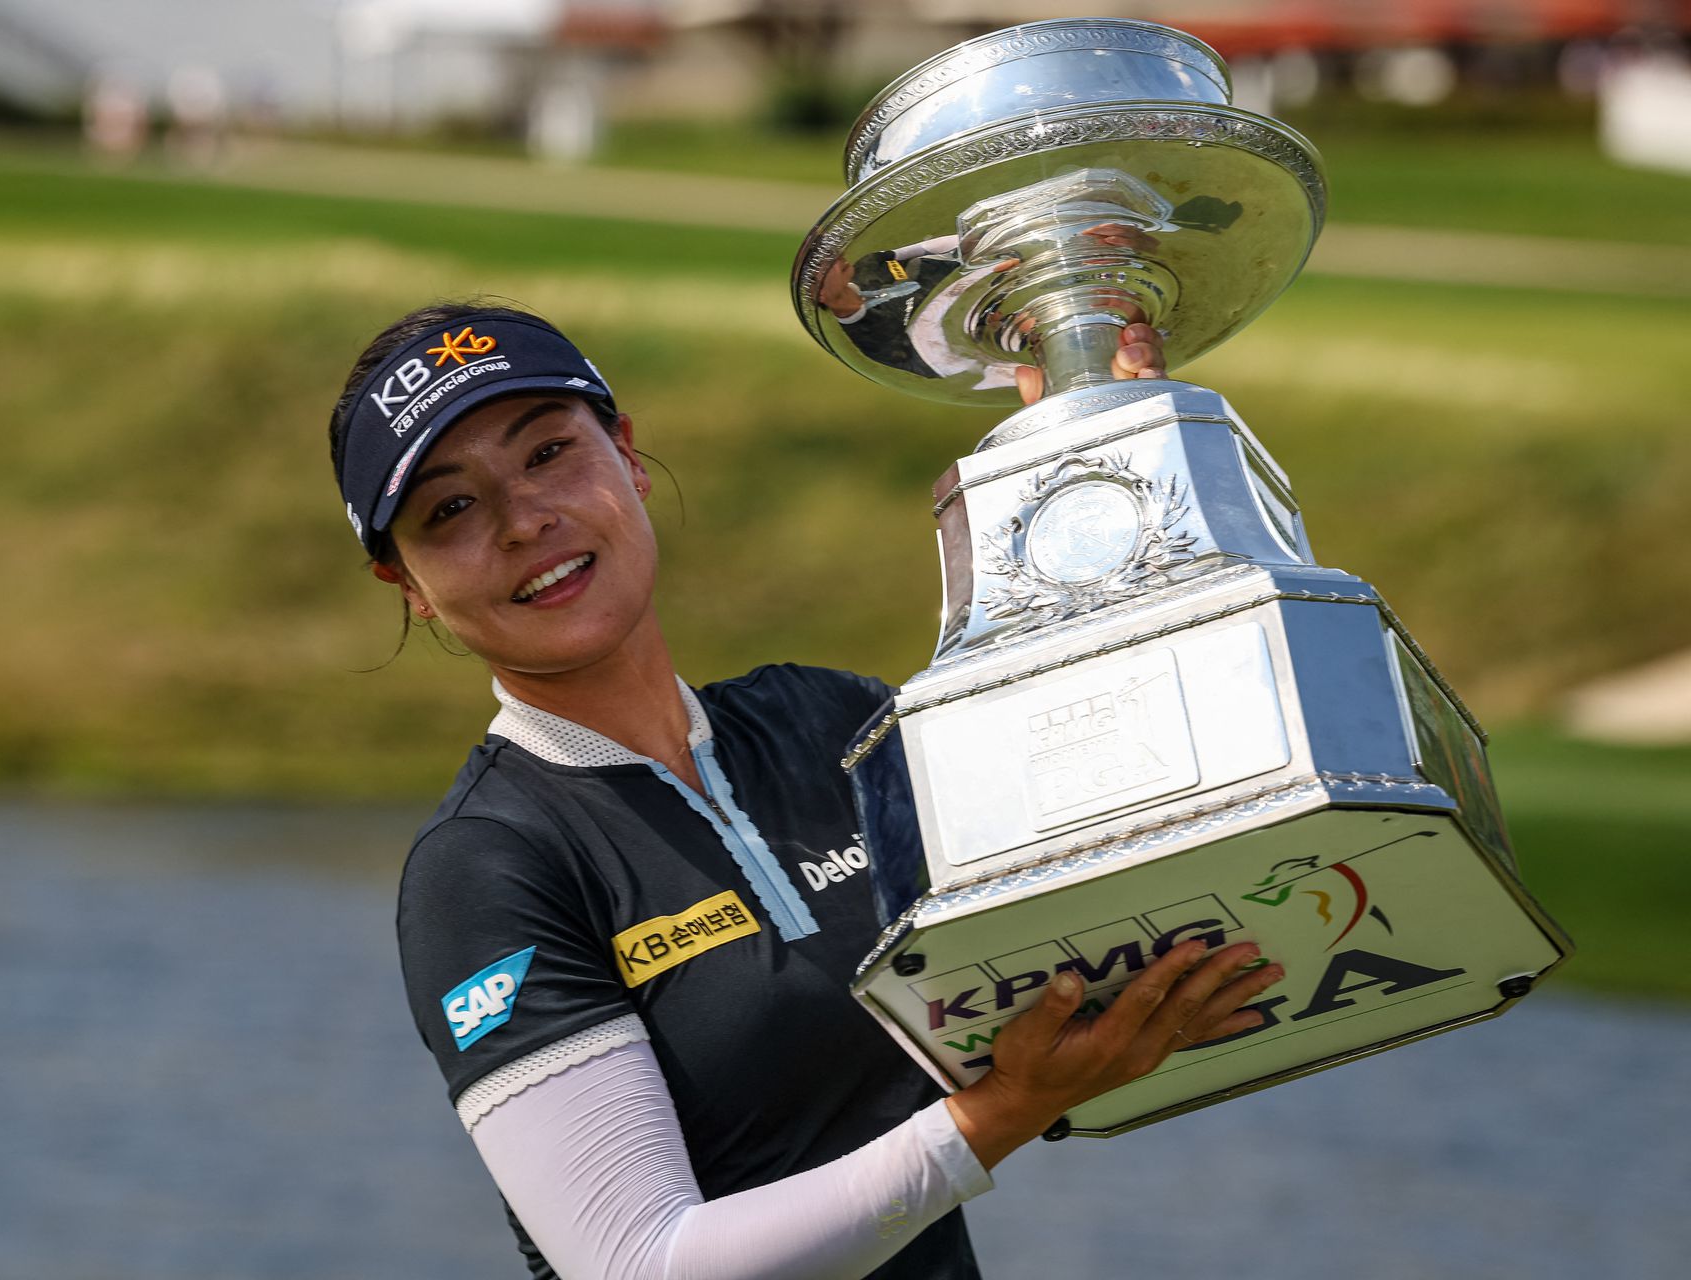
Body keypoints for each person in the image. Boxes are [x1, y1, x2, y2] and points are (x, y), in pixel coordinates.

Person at [326, 300, 1283, 1279]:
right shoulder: (486, 867)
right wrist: (1001, 1113)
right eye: (451, 509)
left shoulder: (830, 725)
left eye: (549, 454)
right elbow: (642, 1262)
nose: (525, 519)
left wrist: (1088, 458)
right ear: (404, 580)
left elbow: (1123, 834)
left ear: (628, 456)